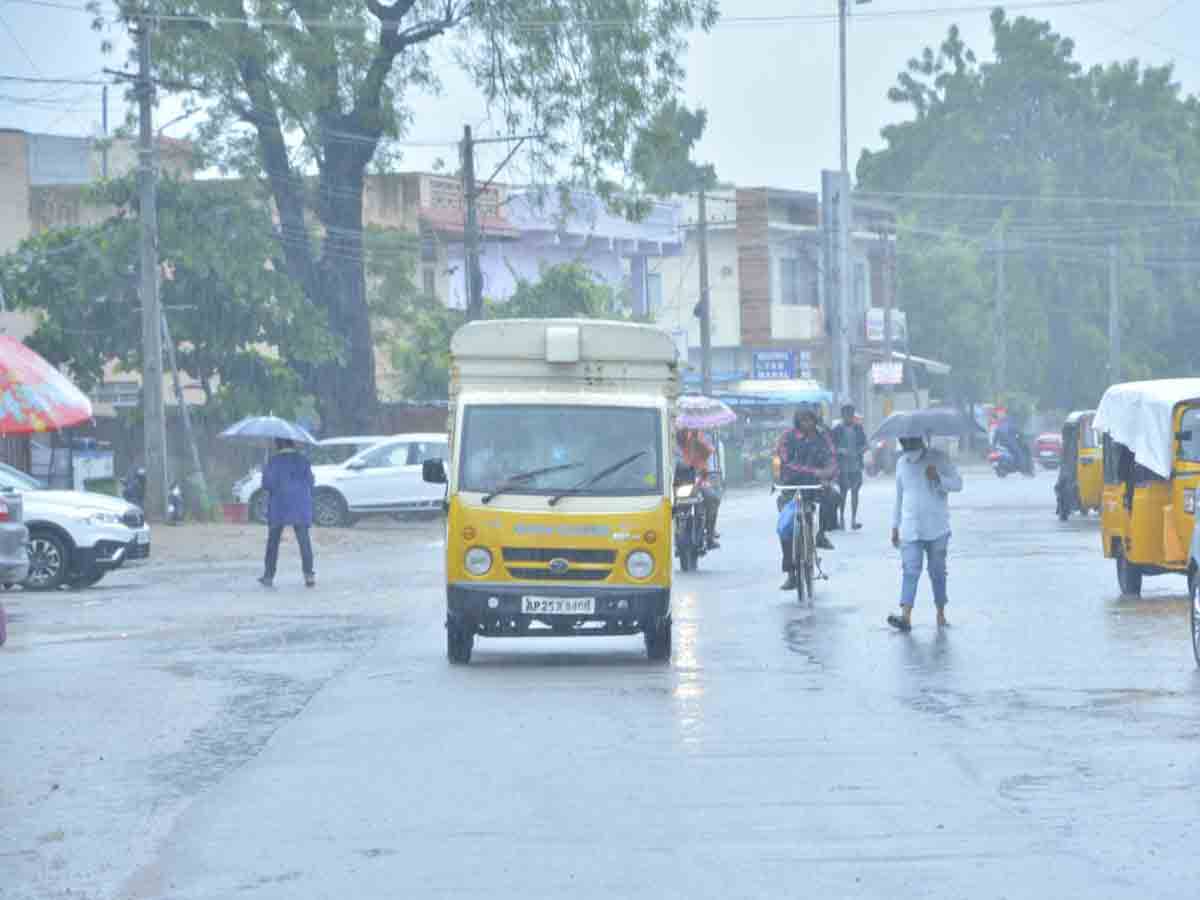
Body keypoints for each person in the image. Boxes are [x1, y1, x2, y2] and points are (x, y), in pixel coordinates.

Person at [888, 432, 963, 631]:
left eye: (910, 441)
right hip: (910, 527)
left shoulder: (939, 458)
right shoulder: (901, 463)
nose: (907, 446)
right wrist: (895, 525)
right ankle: (905, 617)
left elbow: (958, 484)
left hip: (937, 528)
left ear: (920, 440)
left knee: (937, 572)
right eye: (903, 442)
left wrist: (938, 477)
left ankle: (940, 613)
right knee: (910, 571)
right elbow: (899, 497)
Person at [776, 407, 837, 590]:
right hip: (792, 486)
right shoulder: (788, 437)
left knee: (833, 498)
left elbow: (831, 458)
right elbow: (786, 462)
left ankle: (821, 534)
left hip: (816, 485)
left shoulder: (823, 436)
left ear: (815, 420)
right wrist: (815, 472)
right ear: (797, 422)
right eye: (802, 420)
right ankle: (791, 573)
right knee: (786, 527)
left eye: (809, 419)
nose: (807, 423)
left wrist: (828, 473)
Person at [259, 438, 316, 588]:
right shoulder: (303, 461)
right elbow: (311, 482)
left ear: (277, 445)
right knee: (304, 540)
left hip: (280, 505)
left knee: (273, 541)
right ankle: (309, 575)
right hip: (300, 504)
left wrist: (265, 470)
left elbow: (267, 484)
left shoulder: (273, 461)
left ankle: (268, 576)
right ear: (292, 444)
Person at [677, 428, 721, 549]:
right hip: (679, 482)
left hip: (698, 480)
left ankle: (710, 536)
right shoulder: (676, 436)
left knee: (713, 499)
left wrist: (698, 441)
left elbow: (709, 451)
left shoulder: (699, 436)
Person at [831, 404, 867, 530]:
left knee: (855, 492)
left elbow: (864, 444)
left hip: (856, 465)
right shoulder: (837, 429)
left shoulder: (858, 428)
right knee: (843, 493)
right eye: (846, 415)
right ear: (842, 416)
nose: (849, 417)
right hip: (842, 466)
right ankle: (841, 519)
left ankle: (853, 519)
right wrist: (840, 450)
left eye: (851, 415)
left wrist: (861, 450)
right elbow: (831, 447)